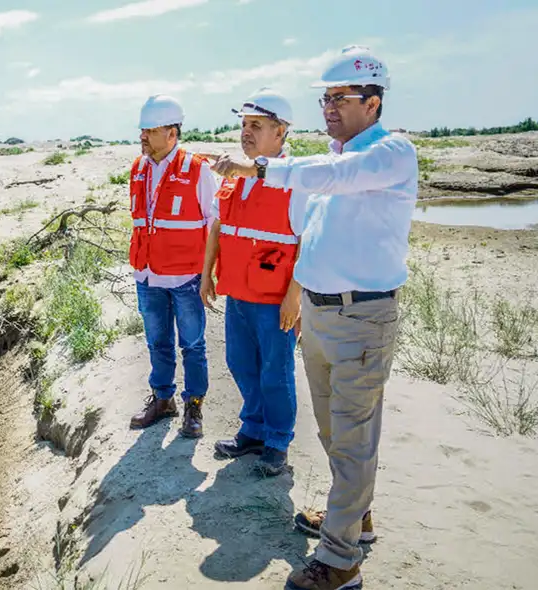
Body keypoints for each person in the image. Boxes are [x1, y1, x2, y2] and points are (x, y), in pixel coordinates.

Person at [204, 46, 417, 590]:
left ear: (372, 103)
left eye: (339, 97)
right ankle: (356, 517)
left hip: (362, 316)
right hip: (321, 319)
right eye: (324, 97)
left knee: (352, 436)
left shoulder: (389, 153)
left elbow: (334, 176)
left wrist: (261, 165)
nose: (328, 106)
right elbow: (311, 230)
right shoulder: (333, 157)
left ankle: (342, 560)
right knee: (333, 431)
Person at [199, 88, 307, 477]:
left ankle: (277, 441)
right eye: (244, 125)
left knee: (275, 370)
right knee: (241, 362)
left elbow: (307, 241)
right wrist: (207, 273)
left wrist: (295, 297)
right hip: (238, 293)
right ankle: (253, 429)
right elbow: (217, 226)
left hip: (274, 297)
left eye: (256, 126)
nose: (246, 132)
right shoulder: (232, 175)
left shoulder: (295, 180)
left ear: (280, 132)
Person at [127, 94, 220, 439]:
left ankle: (194, 405)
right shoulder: (137, 169)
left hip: (185, 277)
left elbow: (215, 222)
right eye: (142, 130)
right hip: (147, 275)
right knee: (157, 341)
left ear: (172, 132)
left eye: (150, 131)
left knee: (192, 345)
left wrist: (209, 273)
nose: (143, 137)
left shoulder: (198, 169)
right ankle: (163, 399)